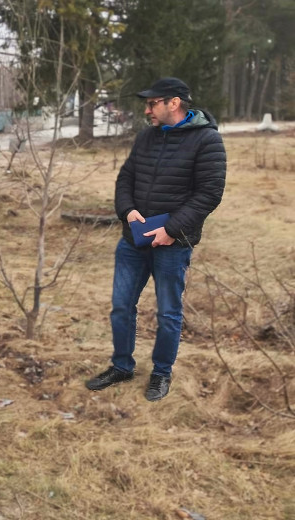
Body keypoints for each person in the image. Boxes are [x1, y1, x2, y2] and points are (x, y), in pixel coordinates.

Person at [85, 77, 226, 402]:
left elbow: (209, 194)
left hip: (173, 245)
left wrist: (171, 230)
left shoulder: (207, 140)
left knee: (168, 313)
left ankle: (161, 373)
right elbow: (126, 178)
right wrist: (127, 210)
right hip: (133, 241)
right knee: (121, 307)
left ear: (173, 103)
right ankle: (121, 366)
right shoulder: (146, 137)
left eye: (152, 104)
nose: (147, 110)